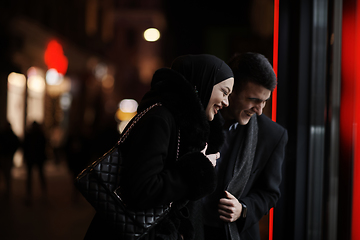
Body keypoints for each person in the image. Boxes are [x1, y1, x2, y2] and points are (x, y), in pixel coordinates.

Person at [84, 54, 234, 240]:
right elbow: (142, 189)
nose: (226, 102)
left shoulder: (182, 126)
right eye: (224, 92)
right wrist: (198, 169)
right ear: (204, 83)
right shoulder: (160, 119)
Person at [191, 52, 288, 240]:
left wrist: (243, 209)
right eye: (254, 100)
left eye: (265, 101)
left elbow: (269, 193)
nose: (259, 110)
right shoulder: (196, 119)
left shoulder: (273, 135)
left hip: (232, 233)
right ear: (231, 89)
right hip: (187, 229)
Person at [23, 121, 47, 201]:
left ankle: (30, 195)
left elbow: (25, 147)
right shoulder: (40, 135)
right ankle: (43, 194)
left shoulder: (30, 135)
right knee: (40, 176)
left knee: (31, 177)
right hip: (37, 158)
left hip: (33, 158)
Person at [0, 121, 20, 198]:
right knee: (6, 174)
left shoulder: (8, 135)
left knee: (7, 174)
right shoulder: (7, 134)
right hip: (6, 156)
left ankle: (7, 190)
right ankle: (7, 190)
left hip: (7, 156)